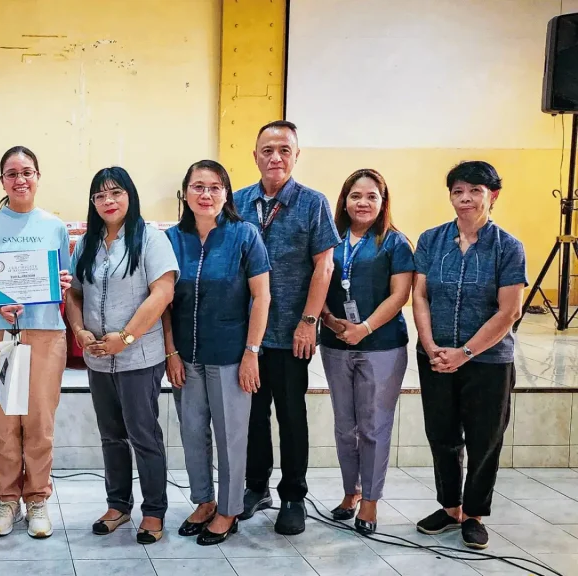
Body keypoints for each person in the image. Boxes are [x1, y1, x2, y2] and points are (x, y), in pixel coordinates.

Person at [233, 120, 340, 535]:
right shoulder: (238, 201)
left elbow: (324, 266)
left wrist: (309, 321)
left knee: (291, 415)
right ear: (255, 156)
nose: (275, 157)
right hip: (247, 333)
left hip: (291, 331)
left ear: (296, 155)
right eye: (267, 150)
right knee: (252, 414)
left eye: (284, 150)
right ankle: (256, 486)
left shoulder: (313, 203)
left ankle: (293, 495)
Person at [412, 161, 526, 550]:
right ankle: (450, 508)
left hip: (488, 361)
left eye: (475, 191)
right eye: (458, 191)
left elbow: (509, 311)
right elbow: (420, 295)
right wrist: (430, 345)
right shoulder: (431, 240)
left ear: (492, 196)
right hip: (435, 355)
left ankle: (474, 514)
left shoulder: (508, 247)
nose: (465, 198)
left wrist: (465, 352)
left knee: (484, 438)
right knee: (441, 434)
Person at [64, 167, 178, 545]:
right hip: (98, 358)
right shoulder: (87, 243)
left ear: (130, 195)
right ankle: (118, 506)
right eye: (100, 196)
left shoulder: (151, 239)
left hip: (139, 357)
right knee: (111, 436)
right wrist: (79, 330)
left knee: (143, 434)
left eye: (115, 193)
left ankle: (154, 511)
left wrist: (126, 337)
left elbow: (162, 293)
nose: (108, 201)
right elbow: (74, 292)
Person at [0, 146, 73, 539]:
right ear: (2, 181)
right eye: (12, 173)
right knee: (4, 421)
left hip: (45, 332)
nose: (20, 179)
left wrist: (62, 282)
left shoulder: (55, 227)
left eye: (27, 172)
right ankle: (7, 499)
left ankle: (38, 499)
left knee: (40, 421)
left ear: (38, 177)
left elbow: (66, 280)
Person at [163, 160, 271, 546]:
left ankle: (228, 510)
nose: (205, 194)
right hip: (186, 357)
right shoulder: (172, 239)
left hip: (231, 356)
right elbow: (163, 302)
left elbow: (262, 297)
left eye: (214, 187)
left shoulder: (245, 235)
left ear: (226, 194)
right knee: (193, 433)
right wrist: (171, 352)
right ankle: (204, 501)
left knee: (230, 437)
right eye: (198, 186)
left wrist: (251, 352)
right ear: (185, 193)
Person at [318, 169, 414, 535]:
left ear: (383, 201)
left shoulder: (395, 243)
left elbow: (400, 295)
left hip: (381, 346)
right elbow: (316, 283)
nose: (363, 202)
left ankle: (371, 500)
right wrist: (329, 320)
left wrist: (365, 328)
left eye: (371, 196)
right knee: (345, 426)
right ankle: (351, 491)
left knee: (373, 426)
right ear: (344, 200)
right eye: (355, 196)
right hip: (336, 343)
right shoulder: (330, 239)